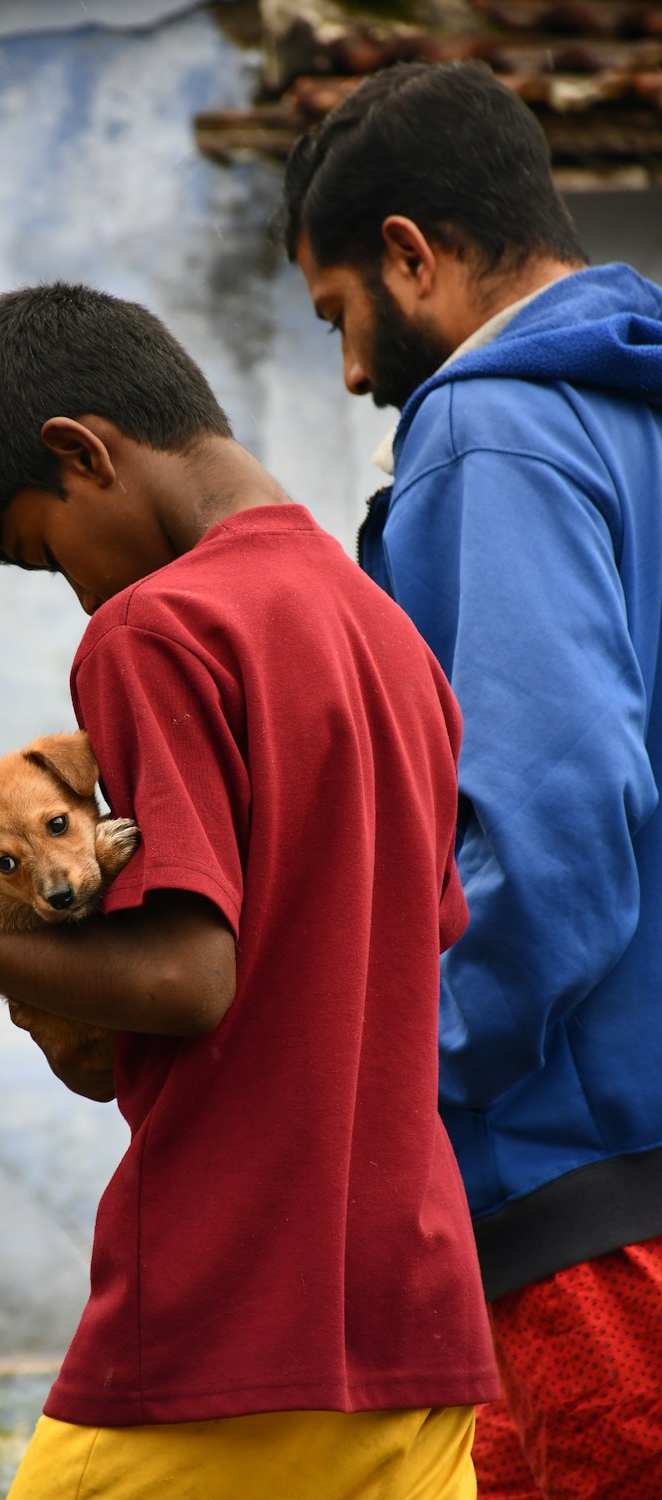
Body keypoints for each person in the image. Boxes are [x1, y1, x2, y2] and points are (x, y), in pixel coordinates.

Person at [0, 281, 498, 1499]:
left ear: (81, 452)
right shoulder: (390, 640)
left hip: (230, 1314)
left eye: (45, 549)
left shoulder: (152, 630)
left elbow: (188, 980)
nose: (73, 591)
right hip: (417, 1314)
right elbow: (419, 935)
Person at [282, 58, 662, 1499]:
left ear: (409, 256)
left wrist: (388, 1084)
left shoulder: (490, 425)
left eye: (338, 318)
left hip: (581, 1206)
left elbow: (556, 827)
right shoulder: (637, 404)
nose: (354, 373)